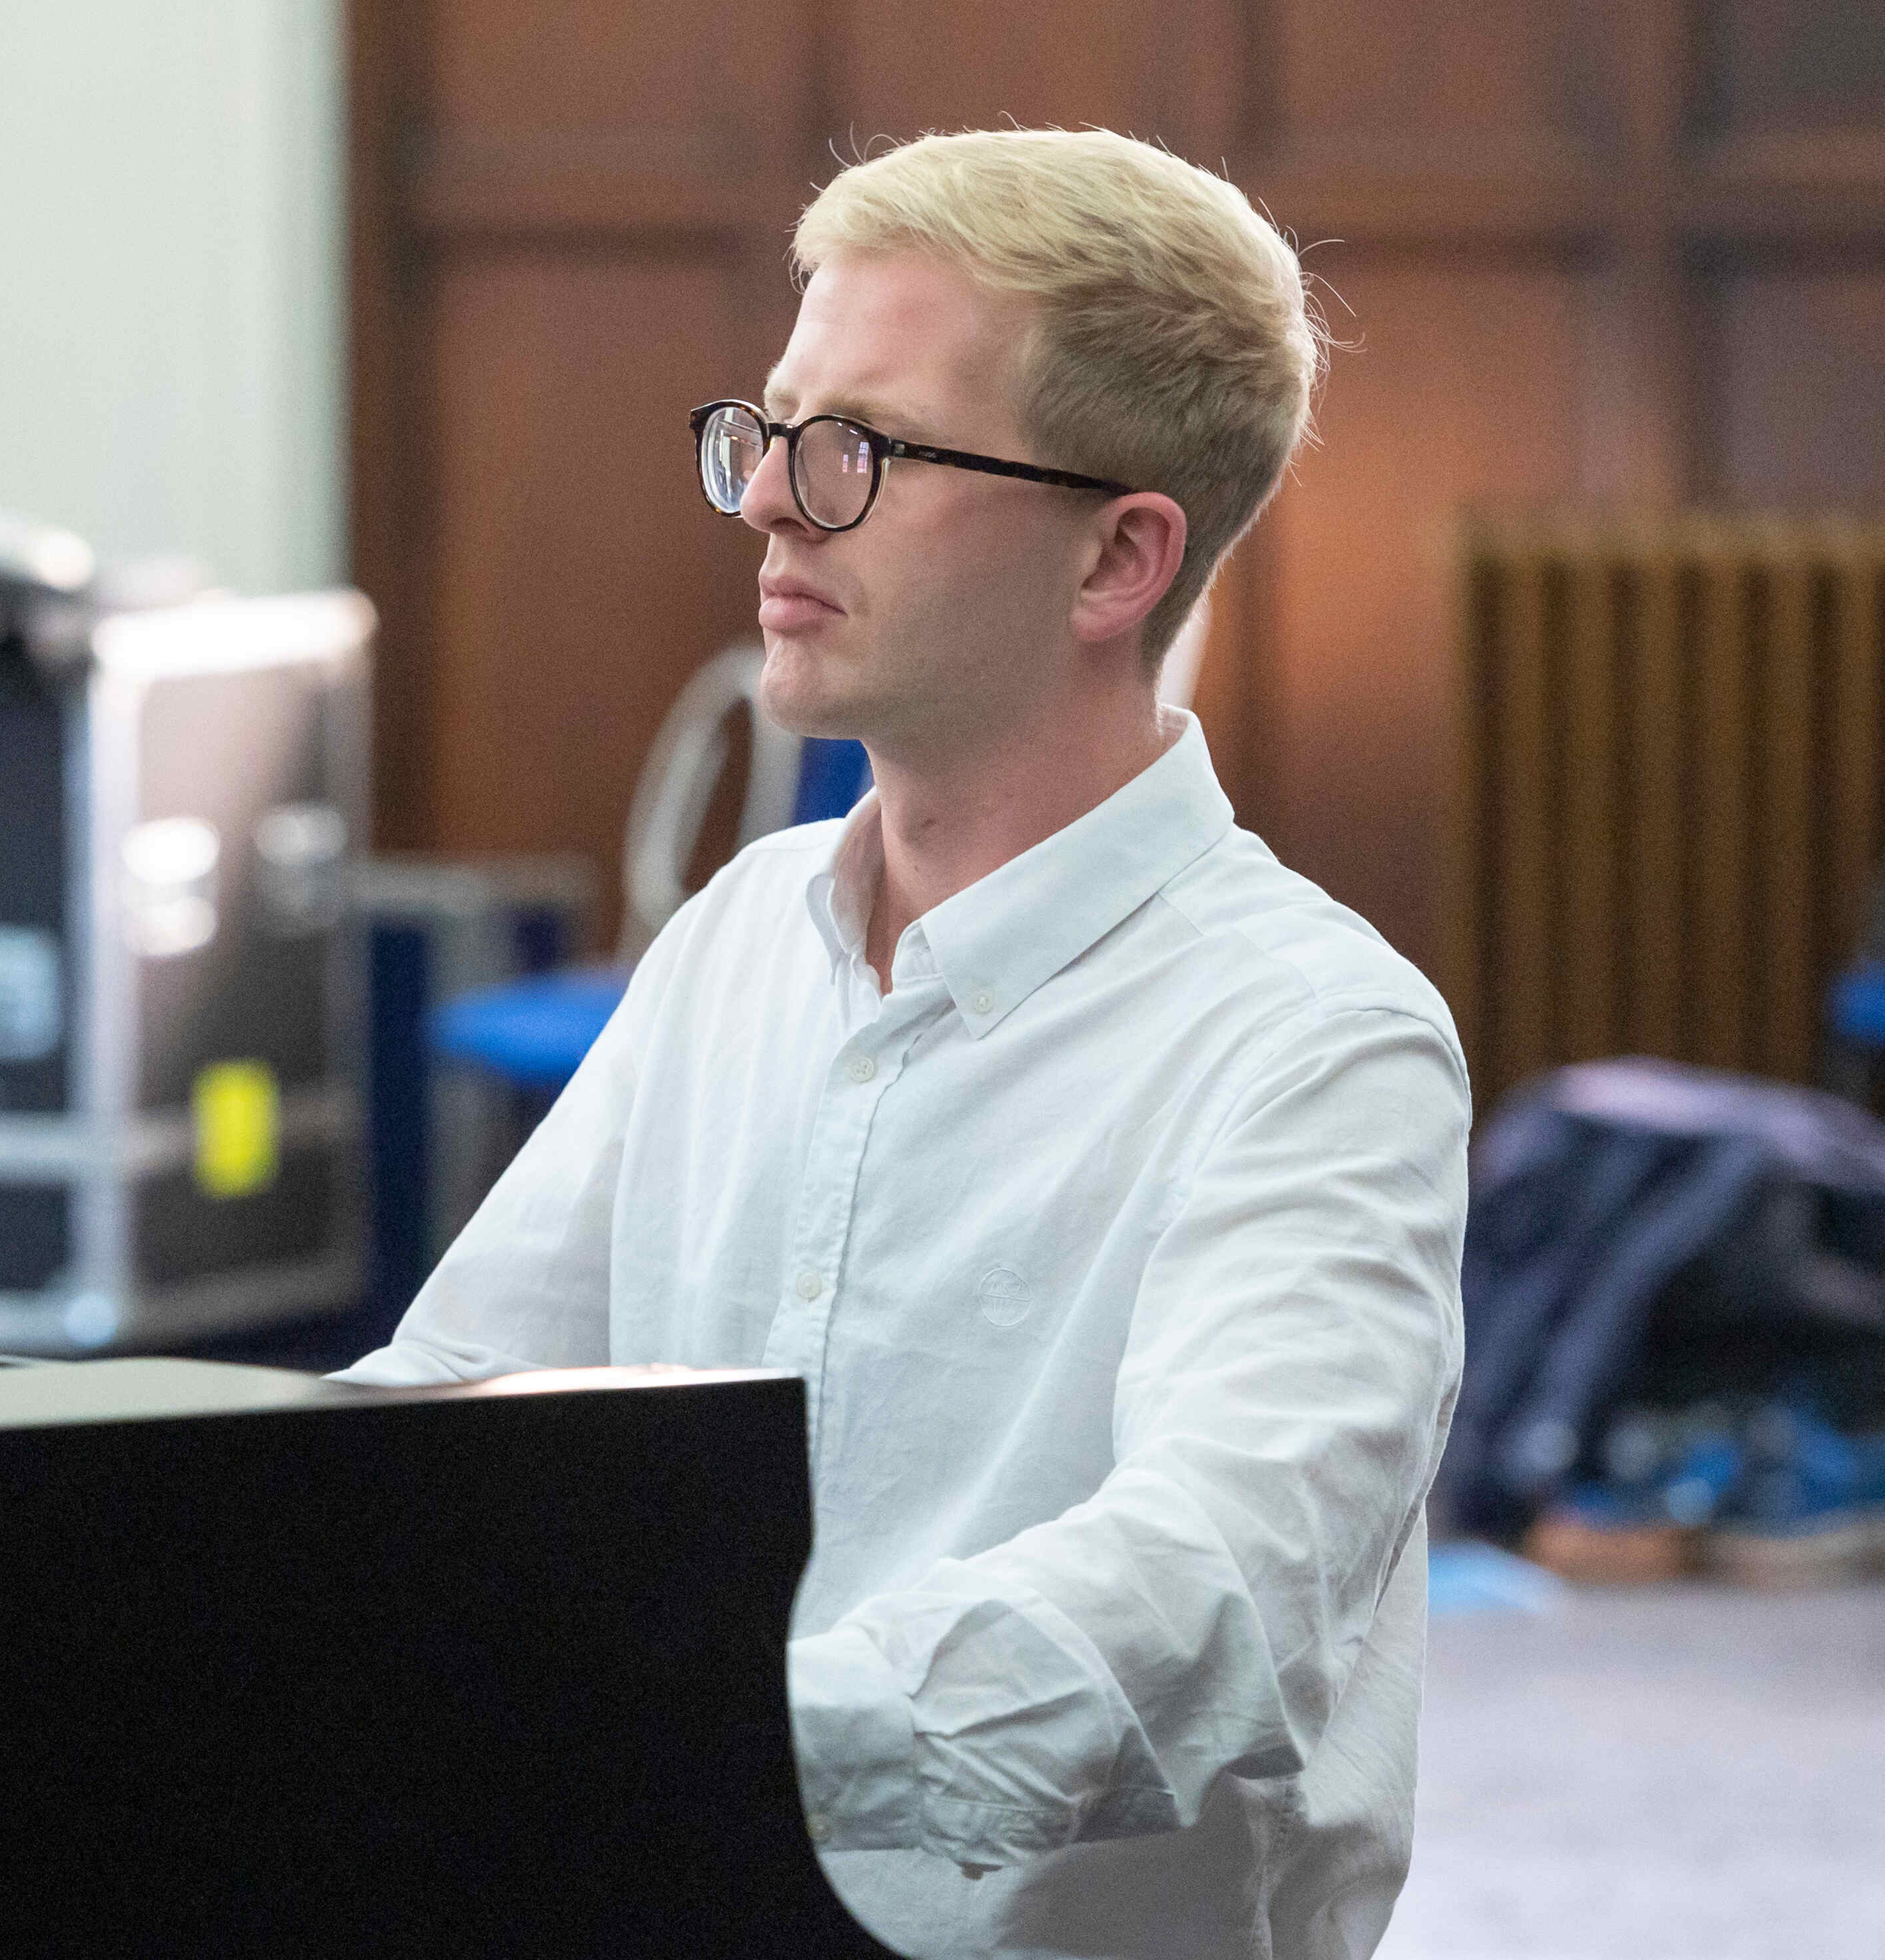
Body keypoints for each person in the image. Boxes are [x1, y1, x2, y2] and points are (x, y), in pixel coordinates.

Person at [338, 129, 1468, 1960]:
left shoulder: (1314, 1037)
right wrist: (191, 1575)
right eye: (768, 428)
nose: (770, 502)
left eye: (859, 448)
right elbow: (468, 1402)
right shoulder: (734, 937)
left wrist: (686, 1740)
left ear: (1116, 561)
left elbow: (1205, 1595)